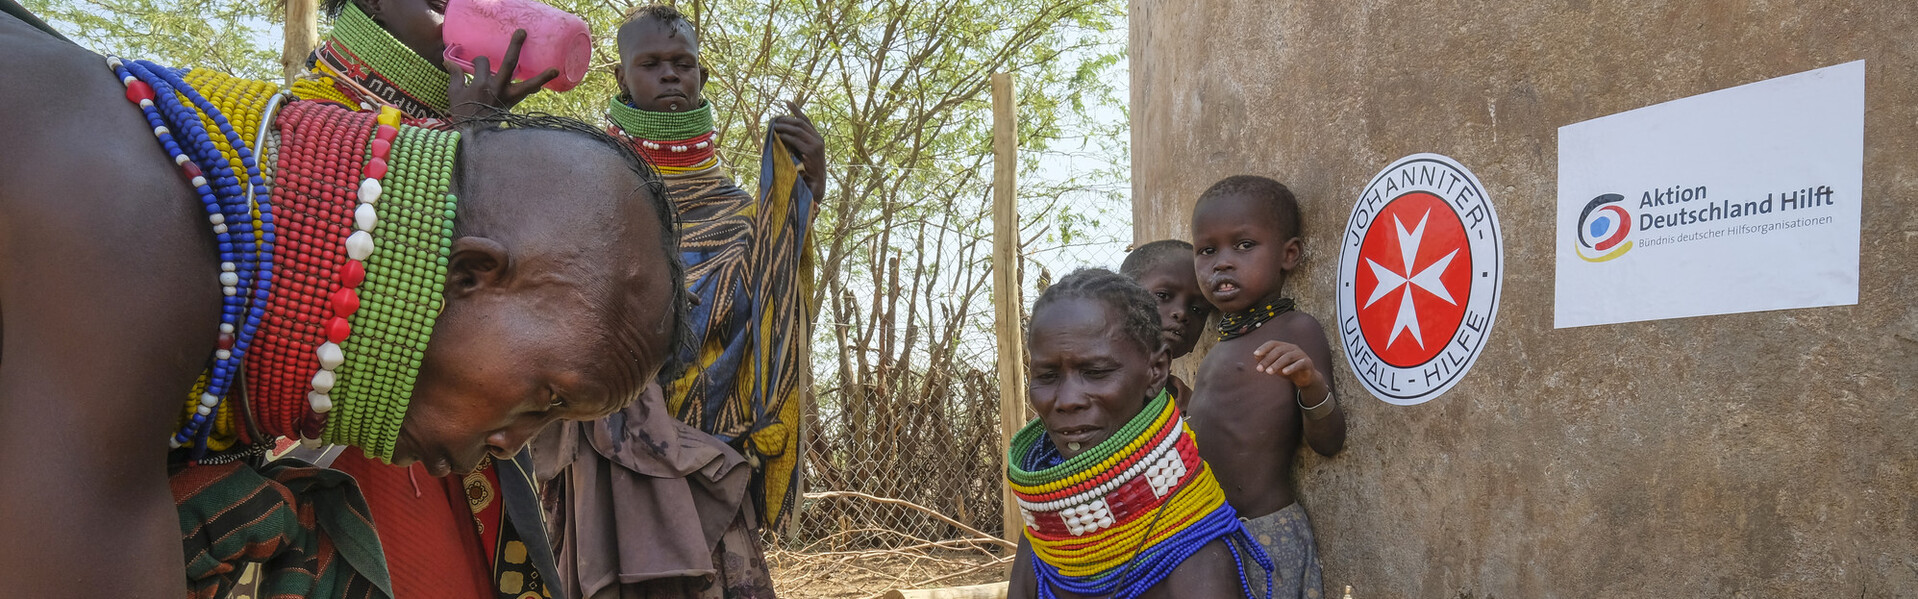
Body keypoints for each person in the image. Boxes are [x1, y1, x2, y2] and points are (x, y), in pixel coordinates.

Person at [0, 8, 684, 597]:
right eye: (545, 397)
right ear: (467, 272)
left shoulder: (165, 192)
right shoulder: (131, 255)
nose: (509, 443)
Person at [277, 1, 585, 596]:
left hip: (462, 463)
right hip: (353, 466)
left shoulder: (469, 122)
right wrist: (474, 144)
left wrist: (484, 139)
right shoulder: (306, 122)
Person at [530, 5, 824, 598]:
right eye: (652, 64)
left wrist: (803, 200)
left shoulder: (742, 215)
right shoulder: (589, 191)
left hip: (708, 450)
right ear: (620, 80)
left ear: (702, 77)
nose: (670, 76)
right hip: (601, 453)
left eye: (682, 64)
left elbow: (776, 320)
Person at [1005, 269, 1274, 599]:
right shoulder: (1045, 530)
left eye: (1096, 372)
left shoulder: (1194, 556)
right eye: (1047, 375)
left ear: (1156, 371)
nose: (1068, 400)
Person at [1187, 175, 1348, 599]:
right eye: (1207, 250)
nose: (1222, 262)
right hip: (1207, 536)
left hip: (1264, 535)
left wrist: (1308, 382)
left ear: (1288, 255)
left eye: (1243, 246)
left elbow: (1330, 441)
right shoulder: (1218, 350)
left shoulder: (1295, 330)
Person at [1119, 239, 1214, 406]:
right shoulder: (1083, 385)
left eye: (1197, 310)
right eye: (1162, 296)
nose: (1182, 313)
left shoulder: (1189, 407)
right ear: (1121, 302)